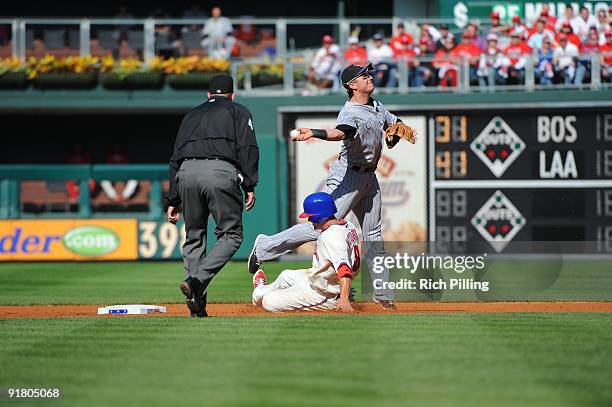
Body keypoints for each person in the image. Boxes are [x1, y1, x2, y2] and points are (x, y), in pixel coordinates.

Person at [247, 63, 418, 310]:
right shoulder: (350, 113)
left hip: (370, 178)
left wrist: (396, 131)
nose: (369, 77)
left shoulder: (377, 105)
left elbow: (394, 123)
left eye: (369, 73)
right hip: (347, 176)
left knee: (373, 235)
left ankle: (383, 294)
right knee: (322, 227)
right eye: (363, 75)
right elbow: (341, 132)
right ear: (351, 85)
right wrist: (314, 132)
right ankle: (264, 246)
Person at [167, 74, 259, 317]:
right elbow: (248, 147)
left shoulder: (191, 115)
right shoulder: (238, 110)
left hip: (186, 172)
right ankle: (197, 281)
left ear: (208, 95)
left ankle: (198, 304)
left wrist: (173, 198)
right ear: (232, 95)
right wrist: (249, 184)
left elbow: (175, 156)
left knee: (194, 237)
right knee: (232, 235)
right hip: (219, 171)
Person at [252, 192, 358, 313]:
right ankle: (258, 293)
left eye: (310, 216)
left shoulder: (331, 236)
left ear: (320, 217)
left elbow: (344, 269)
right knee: (285, 275)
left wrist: (344, 299)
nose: (308, 220)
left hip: (325, 294)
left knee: (269, 302)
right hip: (322, 282)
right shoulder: (348, 226)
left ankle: (341, 297)